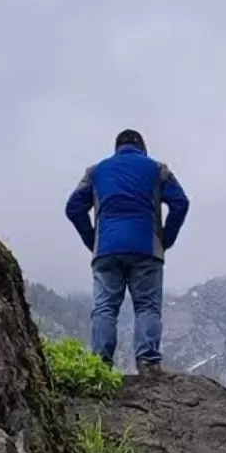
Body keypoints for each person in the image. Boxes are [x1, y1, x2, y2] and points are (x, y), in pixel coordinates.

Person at [65, 129, 190, 371]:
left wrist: (93, 240)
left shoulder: (95, 172)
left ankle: (100, 365)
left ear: (116, 148)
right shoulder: (157, 169)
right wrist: (167, 238)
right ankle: (147, 363)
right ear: (142, 148)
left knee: (105, 308)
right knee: (146, 306)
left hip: (106, 251)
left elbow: (73, 208)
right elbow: (181, 203)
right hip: (147, 249)